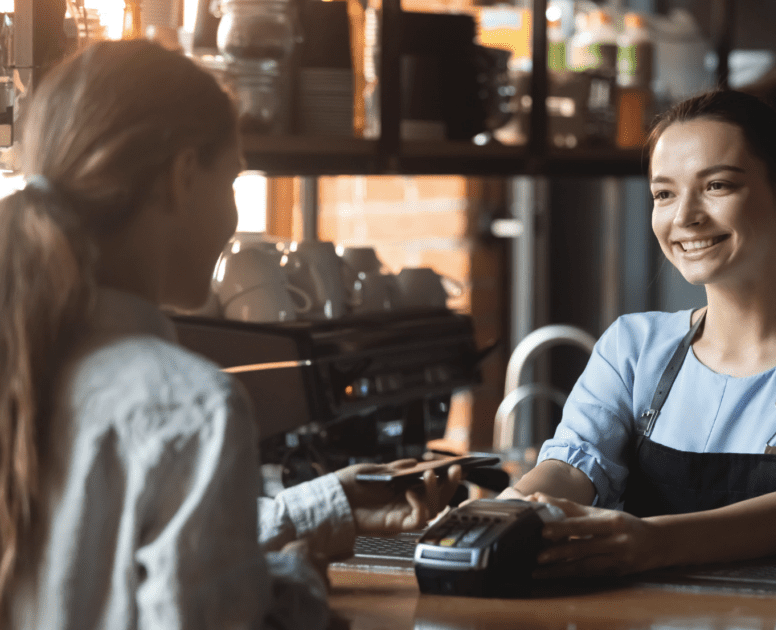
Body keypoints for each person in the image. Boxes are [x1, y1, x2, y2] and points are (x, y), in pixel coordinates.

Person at [0, 40, 460, 629]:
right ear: (182, 175)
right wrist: (295, 593)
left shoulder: (29, 359)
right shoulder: (193, 407)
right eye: (235, 180)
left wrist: (324, 506)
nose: (234, 217)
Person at [501, 89, 776, 577]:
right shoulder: (632, 345)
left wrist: (652, 542)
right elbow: (573, 467)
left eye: (717, 186)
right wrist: (502, 515)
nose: (684, 217)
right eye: (664, 194)